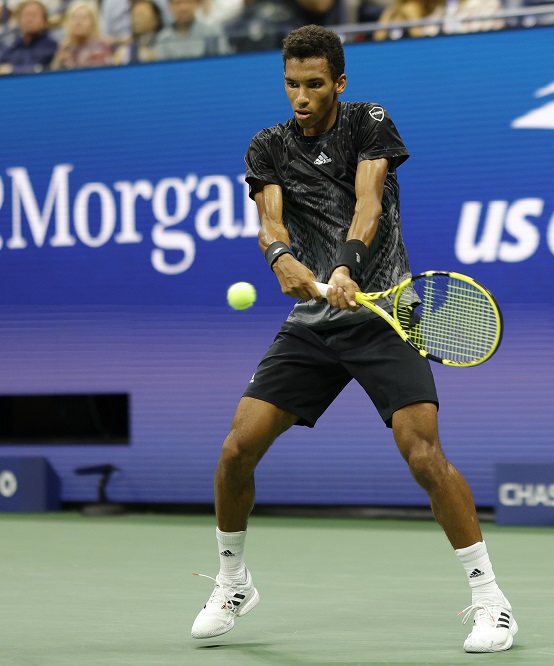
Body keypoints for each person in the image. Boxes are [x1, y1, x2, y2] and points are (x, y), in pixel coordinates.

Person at [190, 24, 517, 654]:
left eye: (315, 84)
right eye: (292, 84)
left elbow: (369, 205)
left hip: (384, 312)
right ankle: (232, 582)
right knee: (237, 449)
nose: (301, 96)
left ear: (339, 82)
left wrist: (346, 267)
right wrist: (281, 257)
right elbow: (270, 222)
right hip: (313, 324)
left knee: (422, 453)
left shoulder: (369, 122)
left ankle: (491, 601)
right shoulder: (268, 145)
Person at [153, 0, 229, 60]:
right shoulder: (163, 38)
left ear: (197, 4)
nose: (183, 8)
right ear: (170, 6)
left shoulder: (212, 32)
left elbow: (222, 62)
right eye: (178, 3)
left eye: (188, 2)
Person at [50, 0, 113, 69]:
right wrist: (59, 57)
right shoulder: (66, 48)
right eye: (74, 18)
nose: (78, 22)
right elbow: (54, 72)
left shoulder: (102, 47)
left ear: (93, 22)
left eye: (83, 18)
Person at [0, 0, 57, 74]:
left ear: (44, 21)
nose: (29, 20)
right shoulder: (12, 45)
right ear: (19, 20)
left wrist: (12, 70)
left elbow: (42, 69)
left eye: (34, 15)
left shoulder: (51, 46)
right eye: (26, 15)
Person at [113, 0, 162, 64]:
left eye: (141, 15)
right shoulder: (124, 51)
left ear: (156, 19)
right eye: (133, 16)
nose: (136, 20)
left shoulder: (165, 41)